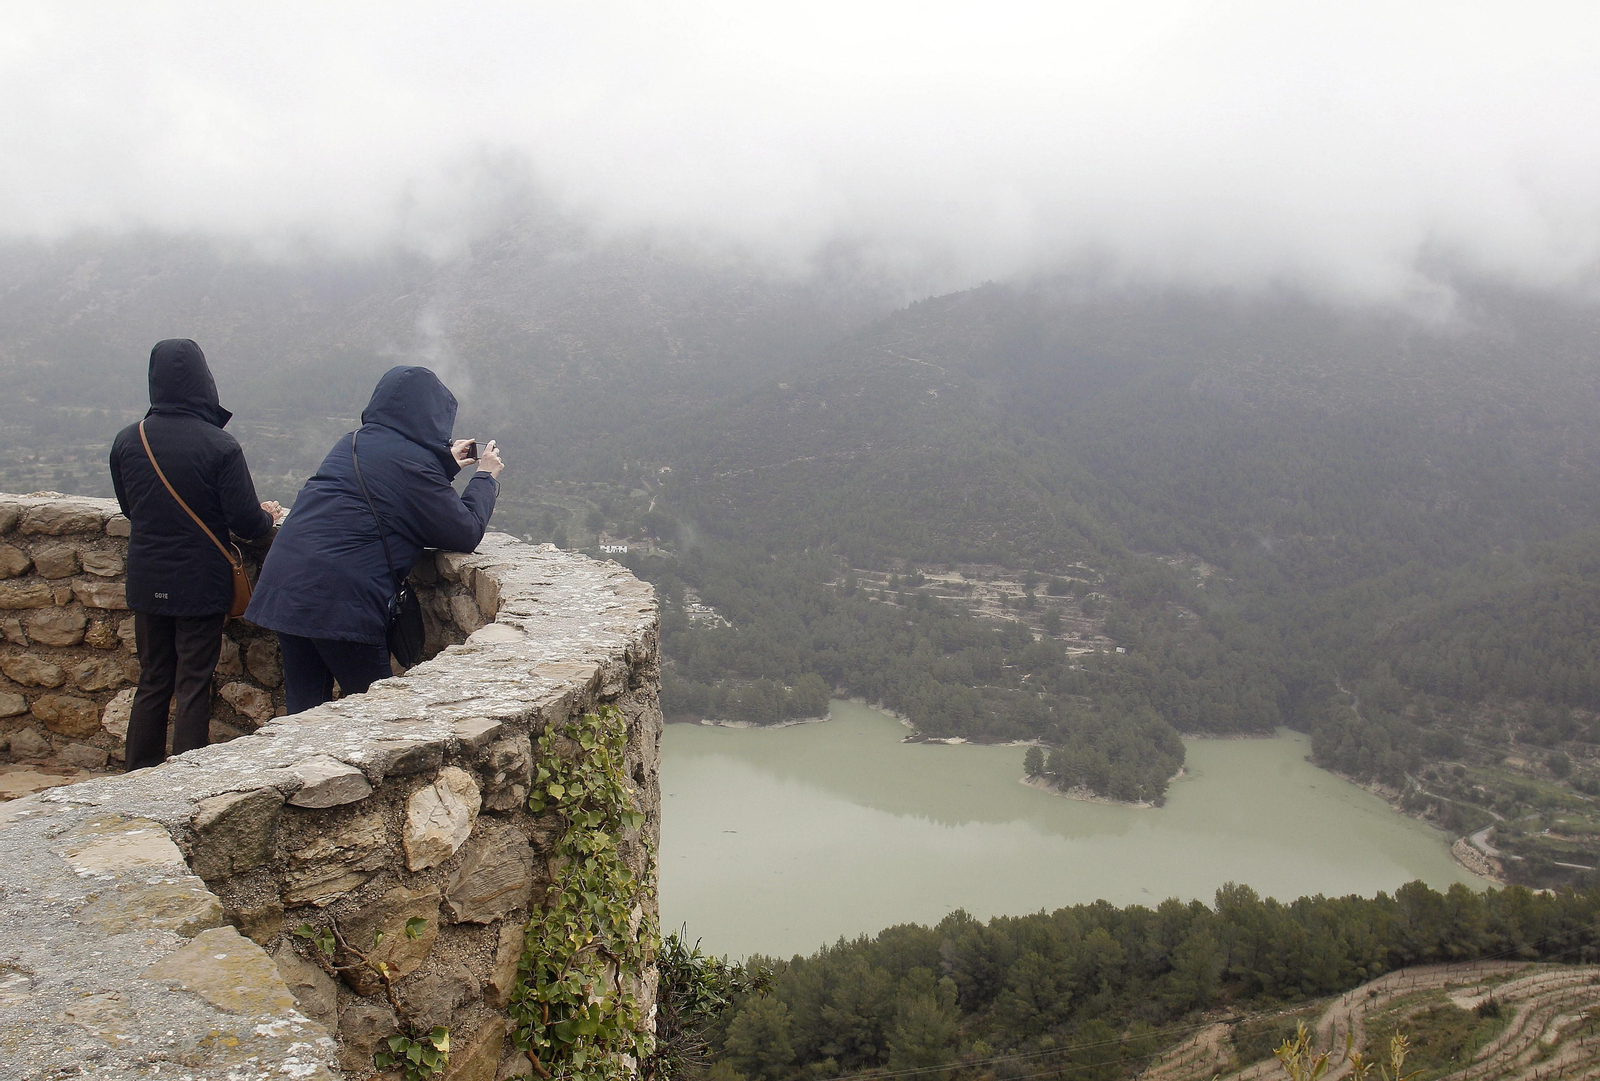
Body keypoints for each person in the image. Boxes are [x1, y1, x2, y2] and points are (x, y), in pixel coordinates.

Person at [245, 365, 502, 713]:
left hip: (287, 585)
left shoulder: (350, 442)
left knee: (303, 713)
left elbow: (388, 483)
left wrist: (444, 464)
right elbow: (465, 530)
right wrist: (485, 477)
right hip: (339, 599)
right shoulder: (415, 465)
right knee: (377, 715)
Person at [109, 339, 282, 771]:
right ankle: (184, 781)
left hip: (148, 577)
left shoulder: (129, 440)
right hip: (199, 581)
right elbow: (246, 524)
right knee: (192, 682)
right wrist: (266, 517)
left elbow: (131, 509)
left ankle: (138, 771)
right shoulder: (220, 446)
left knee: (153, 679)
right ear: (205, 382)